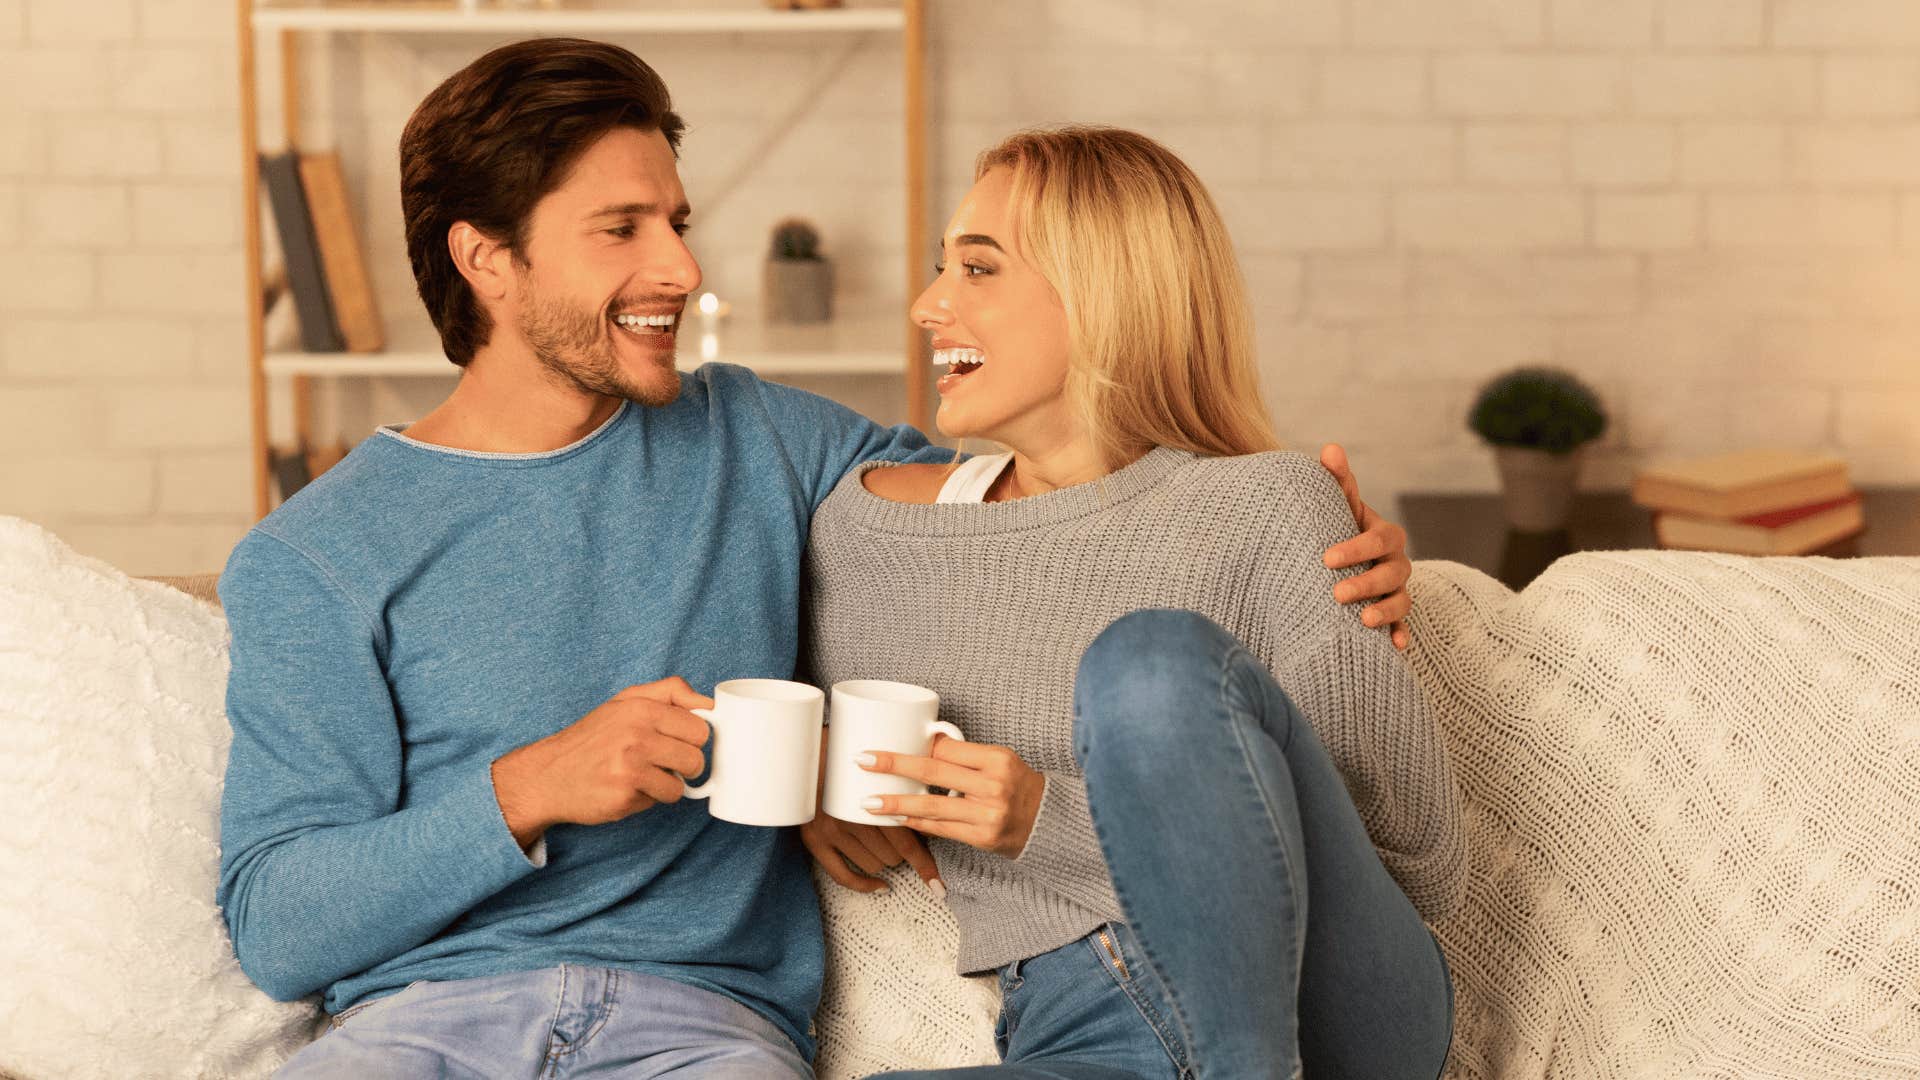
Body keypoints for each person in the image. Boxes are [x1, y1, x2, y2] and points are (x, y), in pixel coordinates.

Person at [216, 39, 1414, 1079]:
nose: (682, 271)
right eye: (622, 230)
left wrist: (1312, 527)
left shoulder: (762, 440)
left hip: (699, 1029)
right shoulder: (315, 556)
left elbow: (1045, 493)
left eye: (676, 223)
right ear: (487, 259)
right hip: (422, 1029)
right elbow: (278, 921)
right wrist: (531, 788)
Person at [799, 126, 1463, 1079]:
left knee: (1147, 665)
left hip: (1332, 1009)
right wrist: (806, 782)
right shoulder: (868, 535)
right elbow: (754, 693)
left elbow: (1421, 861)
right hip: (1082, 1028)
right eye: (940, 269)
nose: (928, 305)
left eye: (978, 270)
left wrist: (1046, 820)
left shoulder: (1267, 502)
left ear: (1103, 291)